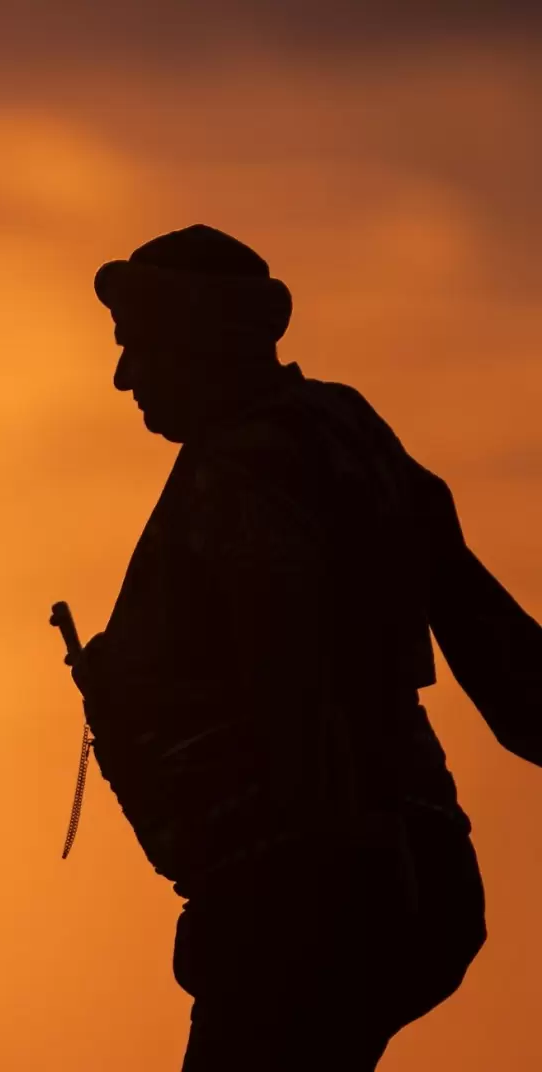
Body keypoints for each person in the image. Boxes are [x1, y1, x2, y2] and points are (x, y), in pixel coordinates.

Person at [70, 224, 542, 1070]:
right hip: (391, 870)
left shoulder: (243, 476)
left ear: (201, 341)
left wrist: (327, 873)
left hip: (309, 891)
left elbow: (302, 674)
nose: (123, 376)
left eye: (138, 347)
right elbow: (507, 667)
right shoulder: (348, 436)